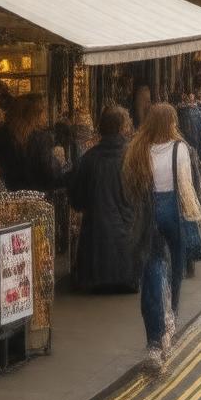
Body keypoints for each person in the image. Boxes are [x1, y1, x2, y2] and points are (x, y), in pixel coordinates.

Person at [123, 103, 201, 373]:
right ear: (171, 123)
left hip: (149, 212)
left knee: (153, 268)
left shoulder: (138, 149)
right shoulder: (180, 149)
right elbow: (185, 185)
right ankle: (172, 320)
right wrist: (194, 215)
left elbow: (132, 187)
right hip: (173, 212)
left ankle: (154, 338)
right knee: (177, 268)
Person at [70, 106, 137, 293]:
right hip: (126, 258)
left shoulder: (89, 159)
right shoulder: (132, 157)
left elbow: (77, 199)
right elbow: (142, 196)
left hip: (94, 261)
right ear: (123, 128)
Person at [0, 93, 66, 193]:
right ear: (35, 115)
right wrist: (59, 161)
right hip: (37, 199)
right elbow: (50, 174)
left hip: (6, 197)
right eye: (43, 111)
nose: (46, 115)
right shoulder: (41, 138)